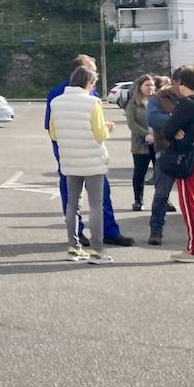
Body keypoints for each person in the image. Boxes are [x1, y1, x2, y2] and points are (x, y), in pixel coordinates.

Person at [44, 55, 134, 246]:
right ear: (82, 71)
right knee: (87, 198)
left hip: (73, 152)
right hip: (80, 153)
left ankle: (101, 232)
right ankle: (87, 236)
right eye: (93, 70)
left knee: (89, 197)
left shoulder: (79, 94)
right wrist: (105, 129)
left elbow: (52, 131)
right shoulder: (60, 95)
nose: (96, 74)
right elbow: (96, 131)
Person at [48, 65, 115, 263]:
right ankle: (97, 251)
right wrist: (109, 127)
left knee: (72, 204)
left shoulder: (56, 102)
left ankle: (73, 248)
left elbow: (53, 133)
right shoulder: (93, 102)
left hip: (69, 158)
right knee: (95, 205)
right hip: (93, 159)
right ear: (90, 83)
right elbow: (100, 134)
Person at [161, 65, 194, 264]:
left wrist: (175, 129)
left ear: (184, 84)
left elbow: (167, 130)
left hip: (190, 159)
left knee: (190, 204)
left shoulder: (187, 104)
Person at [145, 74, 179, 246]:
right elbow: (152, 118)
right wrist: (178, 120)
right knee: (161, 195)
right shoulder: (158, 98)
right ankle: (156, 230)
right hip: (165, 151)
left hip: (190, 152)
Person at [125, 75, 156, 211]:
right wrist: (146, 134)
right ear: (140, 87)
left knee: (161, 173)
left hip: (158, 143)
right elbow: (132, 123)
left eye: (152, 85)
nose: (150, 88)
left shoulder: (157, 102)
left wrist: (157, 135)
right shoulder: (133, 103)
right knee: (139, 173)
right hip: (140, 144)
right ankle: (138, 200)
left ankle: (163, 200)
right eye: (147, 85)